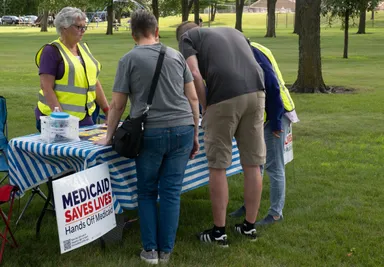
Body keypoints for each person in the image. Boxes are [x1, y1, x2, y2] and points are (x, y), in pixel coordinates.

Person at [96, 10, 200, 264]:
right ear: (156, 32)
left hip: (150, 132)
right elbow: (193, 98)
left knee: (146, 192)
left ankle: (150, 250)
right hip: (183, 128)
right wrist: (195, 132)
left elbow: (118, 105)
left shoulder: (128, 59)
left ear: (133, 34)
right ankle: (167, 251)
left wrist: (108, 136)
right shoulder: (176, 56)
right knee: (171, 192)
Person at [176, 22, 266, 245]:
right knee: (252, 163)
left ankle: (218, 232)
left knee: (218, 165)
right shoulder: (233, 31)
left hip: (224, 96)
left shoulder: (186, 39)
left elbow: (194, 73)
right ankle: (249, 227)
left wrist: (205, 107)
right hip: (257, 91)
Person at [229, 41, 299, 225]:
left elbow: (273, 86)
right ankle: (250, 205)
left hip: (276, 114)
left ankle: (276, 213)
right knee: (255, 164)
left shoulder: (253, 54)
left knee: (274, 166)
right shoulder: (248, 50)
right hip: (260, 116)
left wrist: (276, 122)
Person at [35, 7, 109, 131]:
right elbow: (46, 88)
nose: (83, 31)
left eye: (84, 27)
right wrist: (61, 120)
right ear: (64, 28)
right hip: (56, 121)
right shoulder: (51, 51)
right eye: (78, 27)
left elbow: (94, 82)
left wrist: (107, 110)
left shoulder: (84, 49)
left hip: (84, 117)